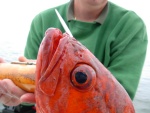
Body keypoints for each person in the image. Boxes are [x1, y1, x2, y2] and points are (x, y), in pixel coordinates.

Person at [0, 0, 148, 113]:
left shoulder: (130, 25)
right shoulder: (43, 19)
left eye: (81, 77)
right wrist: (17, 97)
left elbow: (116, 100)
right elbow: (26, 96)